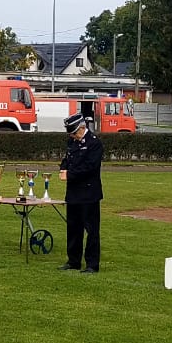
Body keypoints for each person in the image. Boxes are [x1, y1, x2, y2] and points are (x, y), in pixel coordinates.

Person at [58, 111, 104, 273]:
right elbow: (67, 159)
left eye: (74, 133)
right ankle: (73, 260)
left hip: (89, 193)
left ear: (82, 128)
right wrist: (63, 168)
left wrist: (70, 174)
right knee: (73, 228)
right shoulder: (72, 141)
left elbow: (90, 167)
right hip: (73, 193)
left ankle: (92, 264)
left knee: (91, 230)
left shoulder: (94, 143)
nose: (72, 136)